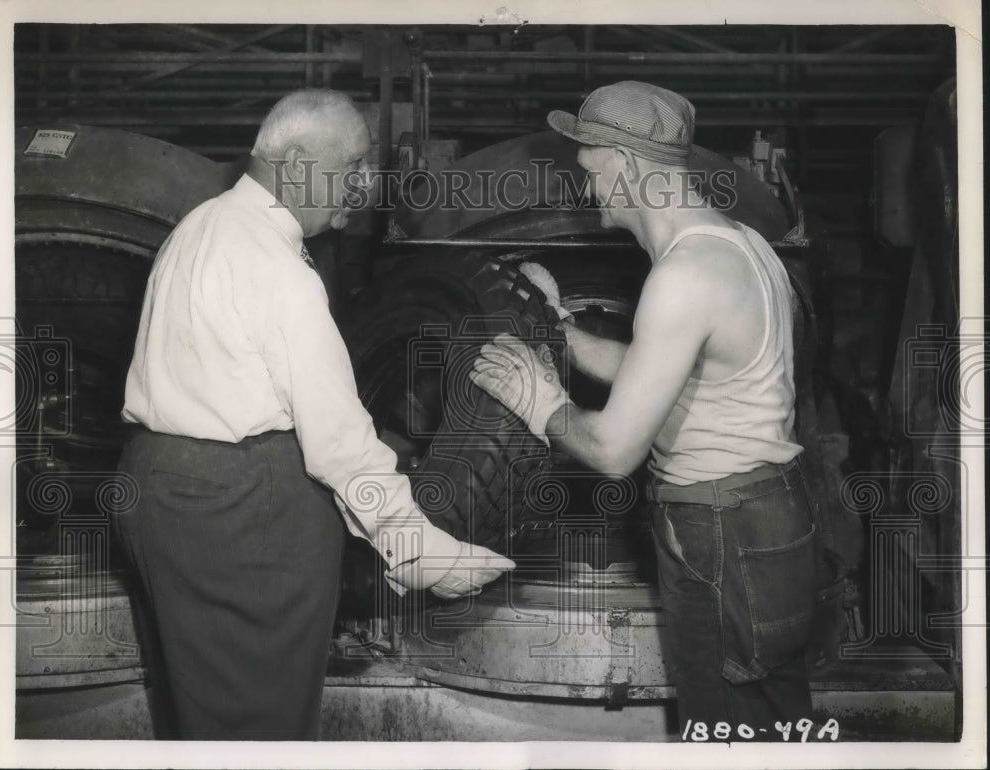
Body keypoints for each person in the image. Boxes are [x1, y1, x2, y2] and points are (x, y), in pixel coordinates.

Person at [114, 89, 514, 740]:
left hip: (160, 489)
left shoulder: (200, 227)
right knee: (257, 724)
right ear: (297, 163)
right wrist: (417, 548)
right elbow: (337, 443)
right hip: (237, 514)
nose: (364, 186)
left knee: (204, 715)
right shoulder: (280, 273)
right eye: (352, 165)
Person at [471, 81, 816, 739]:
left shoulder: (683, 277)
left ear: (625, 166)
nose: (584, 177)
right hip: (766, 516)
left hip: (723, 535)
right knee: (774, 722)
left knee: (730, 735)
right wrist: (559, 333)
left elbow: (612, 451)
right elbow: (665, 373)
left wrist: (539, 401)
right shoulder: (737, 245)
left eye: (589, 161)